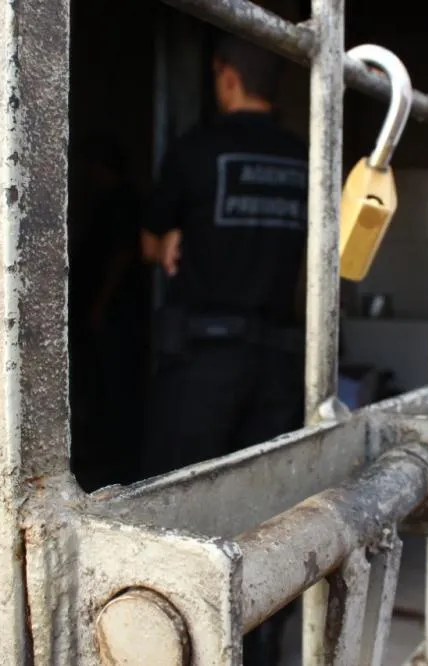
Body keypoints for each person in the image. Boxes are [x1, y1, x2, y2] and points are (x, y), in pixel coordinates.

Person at [140, 33, 307, 666]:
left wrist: (166, 245)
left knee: (180, 511)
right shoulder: (306, 159)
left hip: (205, 360)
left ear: (226, 76)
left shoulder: (195, 151)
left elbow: (156, 244)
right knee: (268, 515)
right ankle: (259, 644)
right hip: (282, 364)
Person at [68, 135, 148, 492]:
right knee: (103, 382)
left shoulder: (120, 204)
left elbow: (120, 258)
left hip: (115, 313)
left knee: (113, 383)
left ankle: (118, 462)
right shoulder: (112, 202)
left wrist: (99, 307)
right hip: (110, 310)